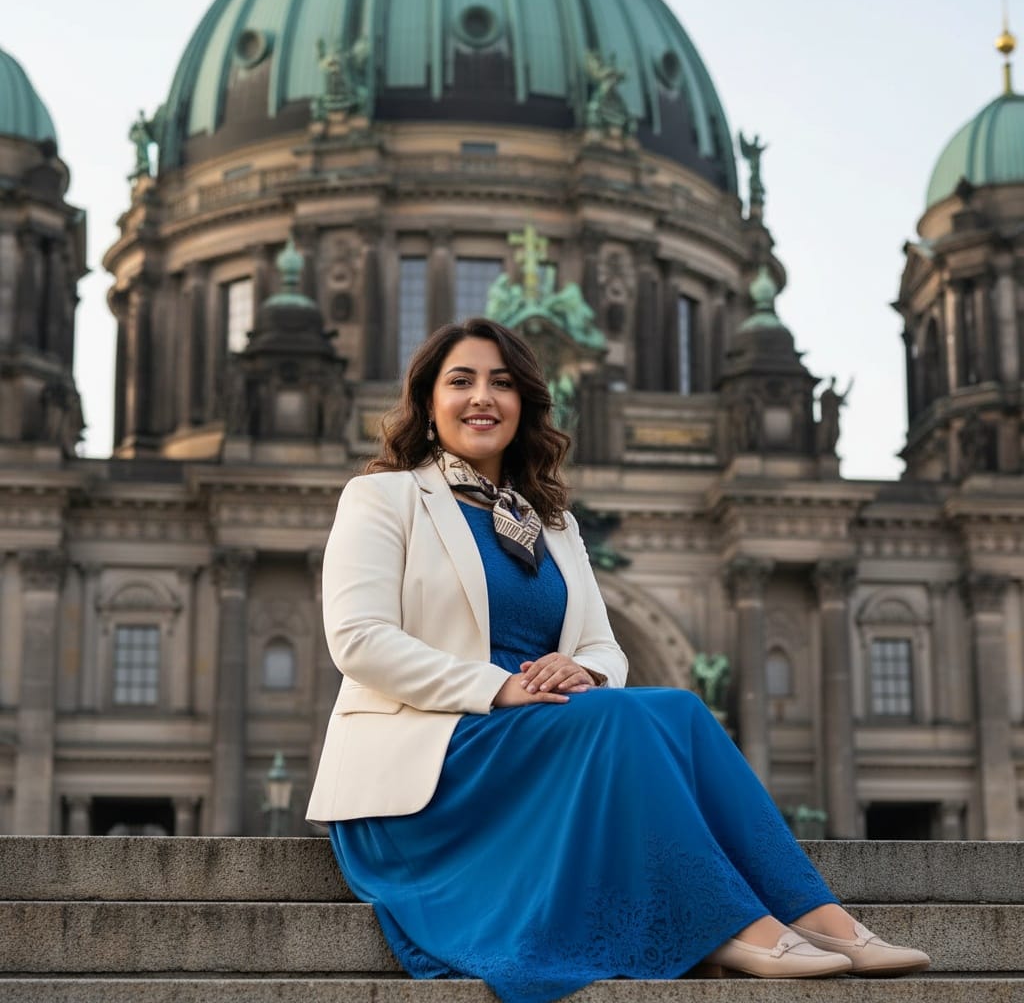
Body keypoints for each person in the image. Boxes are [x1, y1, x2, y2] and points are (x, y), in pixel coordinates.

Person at [306, 318, 929, 1002]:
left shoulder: (550, 522)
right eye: (461, 381)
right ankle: (730, 926)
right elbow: (359, 639)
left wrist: (587, 672)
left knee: (682, 711)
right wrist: (499, 688)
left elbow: (602, 643)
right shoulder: (384, 497)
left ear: (526, 406)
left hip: (531, 744)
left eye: (502, 383)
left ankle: (824, 920)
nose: (482, 398)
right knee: (616, 722)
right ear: (428, 402)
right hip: (431, 763)